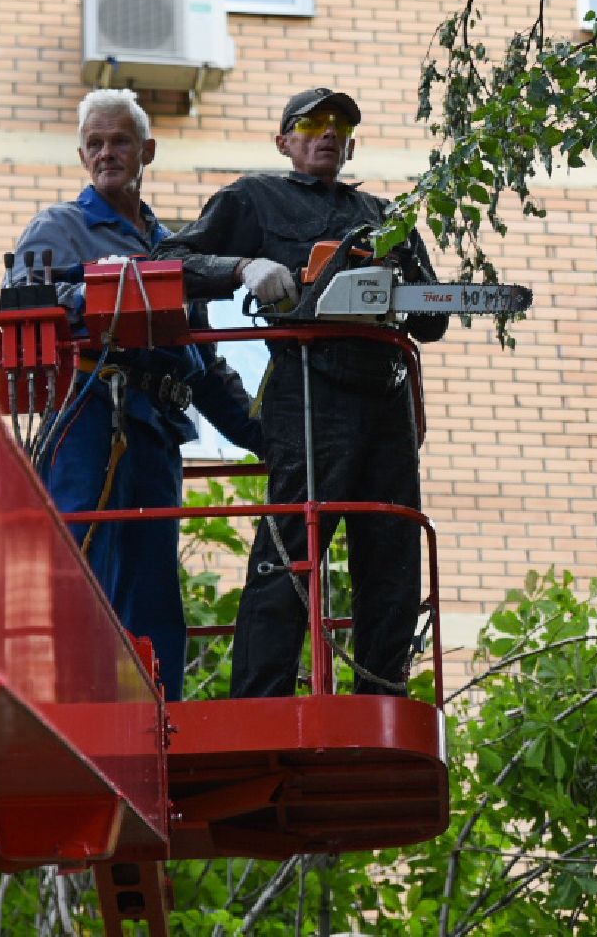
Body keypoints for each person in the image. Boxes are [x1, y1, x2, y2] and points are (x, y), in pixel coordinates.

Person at [157, 86, 447, 698]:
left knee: (392, 546)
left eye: (340, 125)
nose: (327, 134)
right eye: (311, 123)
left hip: (384, 395)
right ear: (284, 140)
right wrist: (241, 268)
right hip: (310, 389)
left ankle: (381, 689)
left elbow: (433, 319)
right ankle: (261, 695)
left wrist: (401, 284)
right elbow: (171, 259)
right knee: (295, 540)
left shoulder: (384, 215)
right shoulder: (255, 197)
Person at [6, 88, 263, 700]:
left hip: (157, 426)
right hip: (89, 412)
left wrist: (266, 436)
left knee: (152, 585)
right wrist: (106, 294)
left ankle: (158, 711)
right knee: (87, 556)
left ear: (147, 149)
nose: (107, 153)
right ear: (81, 154)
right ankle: (80, 701)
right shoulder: (61, 227)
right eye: (95, 143)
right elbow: (22, 305)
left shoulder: (175, 250)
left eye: (119, 140)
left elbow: (204, 363)